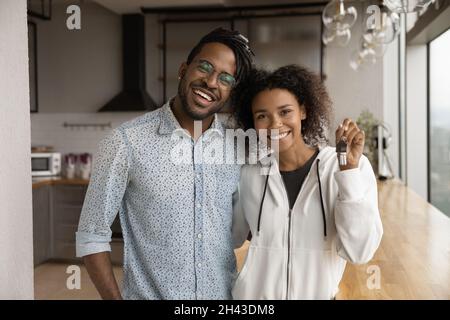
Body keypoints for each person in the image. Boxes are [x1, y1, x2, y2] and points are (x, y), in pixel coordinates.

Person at [76, 28, 254, 300]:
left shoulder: (236, 146)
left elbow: (238, 234)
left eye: (225, 78)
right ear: (183, 69)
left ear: (231, 91)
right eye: (204, 67)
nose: (210, 82)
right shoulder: (125, 142)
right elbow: (91, 236)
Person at [231, 65, 383, 300]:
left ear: (303, 110)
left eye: (285, 112)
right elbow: (231, 236)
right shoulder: (249, 175)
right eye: (262, 115)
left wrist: (348, 173)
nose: (274, 124)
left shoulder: (346, 166)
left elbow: (359, 252)